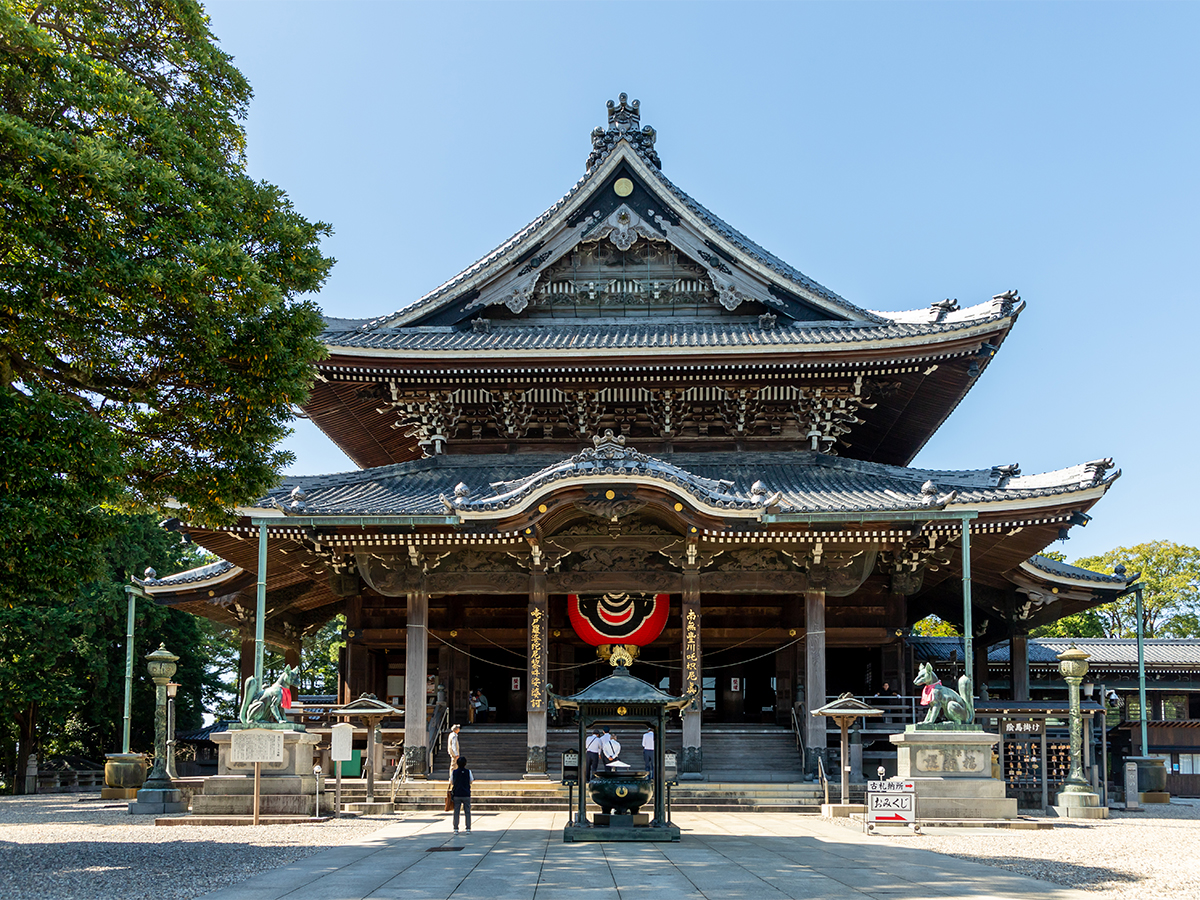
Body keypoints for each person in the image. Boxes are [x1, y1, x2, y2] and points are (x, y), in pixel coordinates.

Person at [450, 756, 474, 834]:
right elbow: (471, 780)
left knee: (456, 812)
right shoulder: (468, 772)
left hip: (457, 794)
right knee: (467, 811)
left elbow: (451, 782)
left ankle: (456, 828)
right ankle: (468, 828)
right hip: (466, 793)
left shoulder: (454, 772)